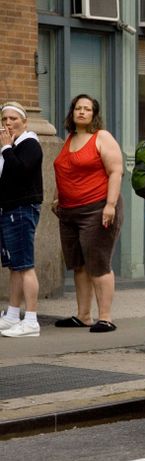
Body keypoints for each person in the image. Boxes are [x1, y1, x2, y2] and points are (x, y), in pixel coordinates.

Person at [52, 94, 124, 333]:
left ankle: (106, 317)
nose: (82, 112)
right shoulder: (69, 139)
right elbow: (66, 171)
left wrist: (110, 205)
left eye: (87, 109)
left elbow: (116, 171)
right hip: (69, 212)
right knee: (79, 265)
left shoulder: (101, 137)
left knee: (98, 263)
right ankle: (83, 316)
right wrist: (57, 198)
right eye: (78, 108)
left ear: (94, 114)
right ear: (72, 112)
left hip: (97, 208)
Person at [0, 102, 43, 337]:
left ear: (24, 122)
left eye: (13, 119)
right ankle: (13, 314)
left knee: (25, 265)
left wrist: (6, 149)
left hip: (22, 209)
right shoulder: (12, 145)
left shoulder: (30, 144)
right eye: (4, 119)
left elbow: (20, 172)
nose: (8, 123)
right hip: (9, 210)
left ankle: (32, 320)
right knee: (16, 267)